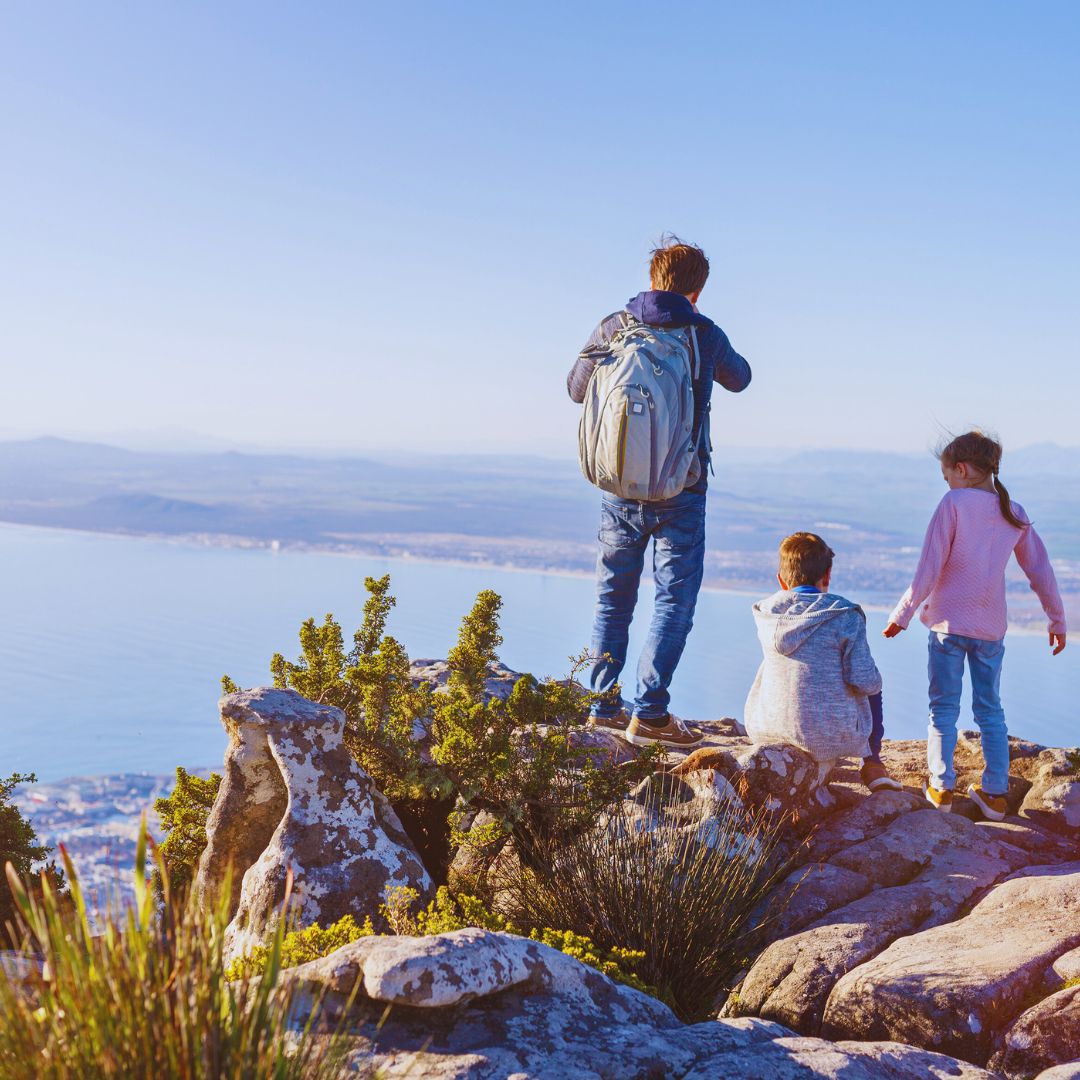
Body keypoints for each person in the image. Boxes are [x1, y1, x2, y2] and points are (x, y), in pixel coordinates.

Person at [567, 237, 751, 747]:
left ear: (652, 279)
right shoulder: (702, 332)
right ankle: (650, 713)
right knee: (673, 601)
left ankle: (602, 705)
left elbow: (576, 389)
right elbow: (741, 379)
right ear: (698, 289)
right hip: (682, 490)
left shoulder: (614, 326)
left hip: (619, 488)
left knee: (613, 597)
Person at [883, 430, 1067, 821]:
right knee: (991, 711)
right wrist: (1057, 619)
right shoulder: (1012, 511)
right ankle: (996, 795)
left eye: (947, 474)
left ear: (962, 470)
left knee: (942, 710)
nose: (947, 482)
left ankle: (941, 787)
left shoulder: (953, 503)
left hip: (948, 628)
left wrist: (902, 614)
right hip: (990, 631)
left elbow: (928, 568)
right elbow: (1040, 570)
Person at [744, 532, 903, 791]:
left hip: (765, 728)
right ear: (827, 575)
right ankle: (872, 763)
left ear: (781, 580)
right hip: (825, 738)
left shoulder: (766, 613)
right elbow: (864, 680)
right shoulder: (844, 615)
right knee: (871, 682)